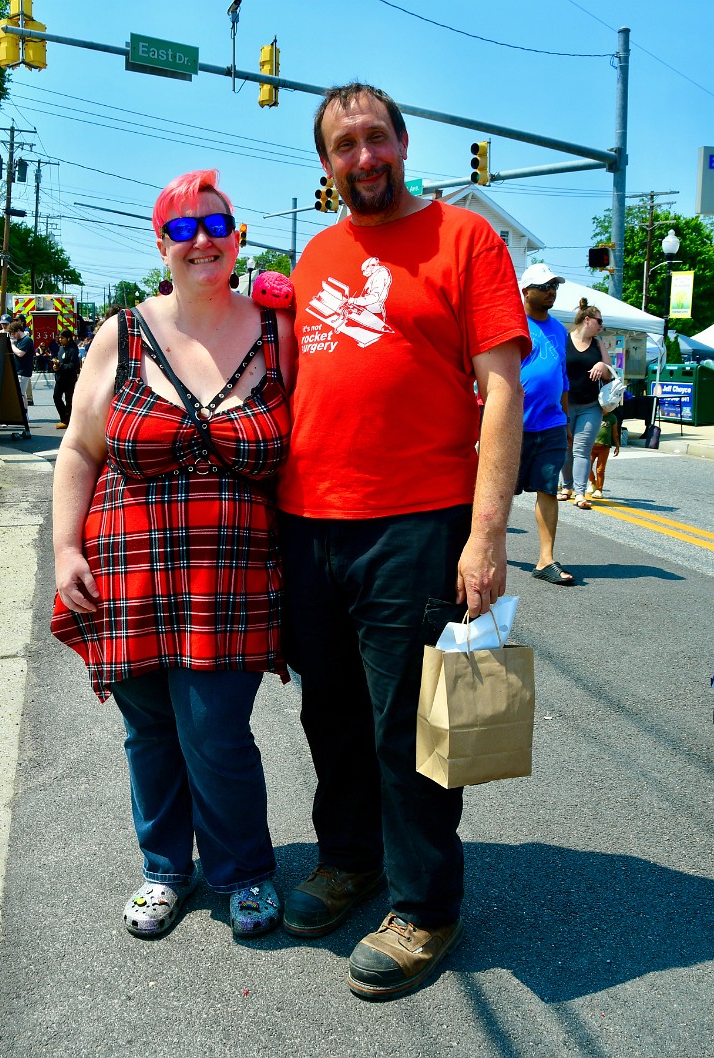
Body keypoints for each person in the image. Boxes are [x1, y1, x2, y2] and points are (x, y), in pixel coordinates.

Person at [277, 83, 529, 1000]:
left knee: (410, 728)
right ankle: (349, 861)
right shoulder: (315, 253)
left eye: (375, 138)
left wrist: (486, 537)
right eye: (344, 146)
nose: (363, 158)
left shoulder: (467, 240)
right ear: (327, 163)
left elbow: (501, 390)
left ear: (403, 141)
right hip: (309, 522)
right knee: (330, 714)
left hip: (417, 521)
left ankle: (424, 904)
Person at [50, 168, 294, 941]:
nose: (202, 241)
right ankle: (164, 869)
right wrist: (64, 548)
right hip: (129, 577)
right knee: (150, 731)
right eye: (183, 229)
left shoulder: (275, 329)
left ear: (238, 238)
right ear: (161, 245)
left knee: (216, 731)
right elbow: (79, 450)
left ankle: (244, 871)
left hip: (231, 582)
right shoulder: (122, 333)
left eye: (216, 226)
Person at [516, 264, 575, 587]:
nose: (551, 290)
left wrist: (565, 420)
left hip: (551, 422)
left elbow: (562, 377)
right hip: (514, 424)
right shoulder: (512, 322)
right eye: (545, 286)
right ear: (526, 291)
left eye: (554, 285)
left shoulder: (558, 329)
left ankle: (545, 559)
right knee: (497, 492)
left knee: (548, 488)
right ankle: (474, 547)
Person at [558, 298, 612, 510]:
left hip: (591, 405)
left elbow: (611, 374)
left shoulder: (598, 345)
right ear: (587, 320)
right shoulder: (564, 339)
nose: (601, 326)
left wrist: (602, 364)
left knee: (582, 449)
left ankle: (580, 493)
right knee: (565, 446)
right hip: (566, 404)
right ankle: (567, 486)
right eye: (599, 322)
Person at [9, 319, 35, 437]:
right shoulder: (20, 340)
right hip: (18, 371)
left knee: (21, 393)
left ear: (18, 331)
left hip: (23, 371)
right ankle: (24, 414)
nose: (13, 336)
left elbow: (20, 353)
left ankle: (24, 414)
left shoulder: (27, 340)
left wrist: (12, 345)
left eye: (13, 333)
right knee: (21, 393)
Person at [587, 406, 620, 498]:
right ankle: (593, 482)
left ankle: (599, 489)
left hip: (604, 447)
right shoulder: (594, 415)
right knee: (586, 466)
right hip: (591, 447)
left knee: (600, 470)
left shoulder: (612, 417)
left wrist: (617, 446)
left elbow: (615, 433)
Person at [51, 328, 80, 428]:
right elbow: (59, 362)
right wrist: (55, 367)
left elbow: (73, 366)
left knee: (69, 400)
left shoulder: (73, 349)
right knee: (56, 397)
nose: (60, 340)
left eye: (62, 338)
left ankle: (67, 420)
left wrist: (60, 365)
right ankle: (65, 417)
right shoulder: (61, 348)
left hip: (69, 379)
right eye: (59, 338)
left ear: (68, 338)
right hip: (60, 378)